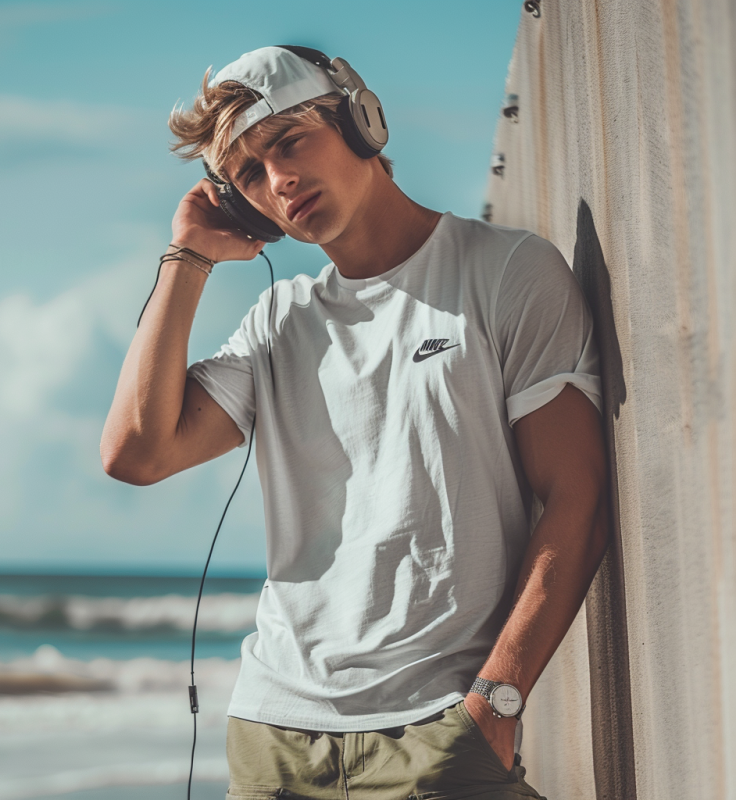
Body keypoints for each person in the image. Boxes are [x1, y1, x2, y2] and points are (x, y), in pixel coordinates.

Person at [101, 45, 609, 800]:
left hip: (439, 733)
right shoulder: (277, 324)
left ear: (361, 121)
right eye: (248, 175)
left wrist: (495, 706)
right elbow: (137, 453)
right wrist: (187, 257)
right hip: (273, 740)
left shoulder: (506, 272)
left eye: (289, 141)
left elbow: (578, 498)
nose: (279, 180)